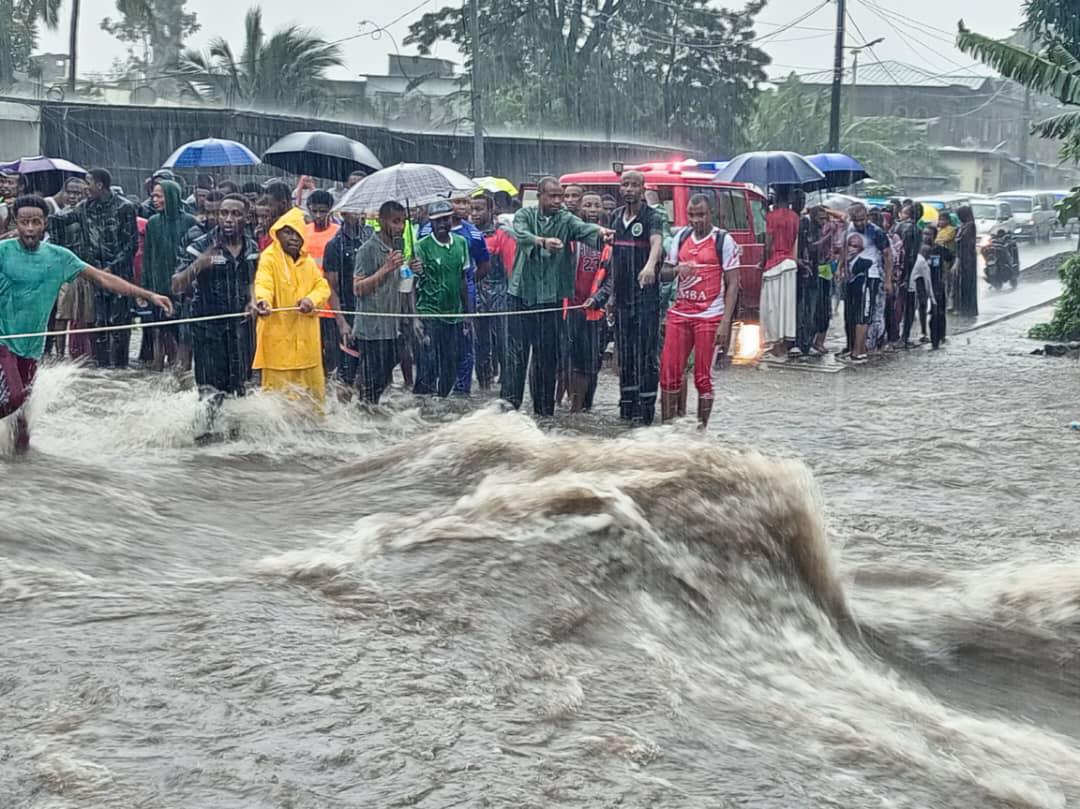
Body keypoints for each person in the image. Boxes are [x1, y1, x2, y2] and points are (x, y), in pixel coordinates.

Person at [0, 196, 171, 452]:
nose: (30, 229)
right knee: (12, 398)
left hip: (32, 346)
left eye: (36, 222)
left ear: (45, 223)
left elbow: (103, 279)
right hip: (4, 341)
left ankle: (22, 472)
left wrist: (147, 295)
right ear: (16, 222)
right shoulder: (3, 251)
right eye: (24, 222)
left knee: (23, 416)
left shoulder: (59, 257)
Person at [503, 178, 609, 415]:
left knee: (547, 358)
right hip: (520, 296)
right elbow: (521, 234)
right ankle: (508, 411)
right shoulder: (525, 214)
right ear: (540, 196)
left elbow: (584, 229)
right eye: (552, 196)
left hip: (550, 299)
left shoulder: (565, 218)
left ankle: (544, 413)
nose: (558, 201)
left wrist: (602, 233)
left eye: (560, 196)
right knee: (515, 357)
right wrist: (542, 242)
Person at [172, 194, 259, 439]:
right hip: (207, 329)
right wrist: (200, 264)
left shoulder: (252, 248)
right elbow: (176, 285)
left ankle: (234, 446)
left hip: (239, 329)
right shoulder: (198, 245)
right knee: (209, 393)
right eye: (224, 213)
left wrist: (253, 301)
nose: (229, 219)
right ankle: (204, 443)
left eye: (235, 214)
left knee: (239, 389)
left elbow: (252, 282)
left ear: (246, 218)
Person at [659, 194, 740, 427]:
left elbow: (733, 283)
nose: (696, 220)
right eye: (692, 215)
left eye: (701, 215)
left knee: (703, 378)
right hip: (680, 314)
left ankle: (701, 431)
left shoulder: (723, 240)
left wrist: (726, 323)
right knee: (668, 373)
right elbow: (663, 273)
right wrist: (676, 270)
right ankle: (667, 429)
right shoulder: (680, 237)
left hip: (709, 316)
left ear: (711, 214)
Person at [49, 168, 139, 368]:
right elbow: (58, 221)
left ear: (99, 185)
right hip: (95, 276)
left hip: (120, 277)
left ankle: (120, 369)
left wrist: (112, 267)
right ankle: (101, 370)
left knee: (120, 324)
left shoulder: (125, 207)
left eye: (88, 183)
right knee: (97, 323)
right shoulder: (83, 207)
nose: (84, 188)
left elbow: (131, 245)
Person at [252, 208, 332, 405]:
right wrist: (263, 301)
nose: (293, 238)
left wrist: (311, 300)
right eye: (288, 233)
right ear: (277, 234)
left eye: (297, 233)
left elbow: (322, 286)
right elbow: (263, 283)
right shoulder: (269, 258)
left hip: (308, 345)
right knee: (277, 406)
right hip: (279, 348)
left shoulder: (308, 261)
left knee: (314, 406)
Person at [609, 170, 664, 425]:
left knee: (646, 354)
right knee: (625, 354)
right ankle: (626, 408)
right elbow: (611, 259)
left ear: (643, 189)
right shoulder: (615, 217)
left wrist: (650, 266)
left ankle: (647, 412)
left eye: (634, 185)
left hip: (645, 298)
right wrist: (609, 295)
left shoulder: (652, 216)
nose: (629, 189)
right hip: (621, 298)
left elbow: (656, 243)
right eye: (625, 184)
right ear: (620, 188)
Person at [352, 201, 419, 404]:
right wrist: (386, 269)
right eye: (395, 222)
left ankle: (370, 412)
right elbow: (357, 288)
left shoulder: (399, 247)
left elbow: (400, 284)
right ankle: (362, 411)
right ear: (381, 221)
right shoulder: (367, 249)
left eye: (403, 222)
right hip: (371, 328)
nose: (400, 227)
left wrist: (410, 268)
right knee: (372, 382)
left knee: (385, 376)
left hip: (393, 326)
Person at [414, 200, 469, 398]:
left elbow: (463, 279)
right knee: (428, 364)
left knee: (451, 363)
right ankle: (421, 405)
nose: (442, 224)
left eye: (446, 219)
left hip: (454, 314)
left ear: (452, 220)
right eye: (437, 221)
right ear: (430, 222)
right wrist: (415, 318)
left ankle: (442, 402)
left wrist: (468, 315)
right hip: (429, 312)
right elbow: (411, 284)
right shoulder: (421, 246)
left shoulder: (461, 243)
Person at [564, 192, 612, 412]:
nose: (592, 209)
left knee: (592, 363)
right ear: (580, 209)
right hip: (571, 307)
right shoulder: (572, 238)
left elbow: (612, 277)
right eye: (588, 205)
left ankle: (586, 407)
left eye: (597, 205)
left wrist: (599, 298)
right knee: (572, 361)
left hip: (596, 310)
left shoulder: (609, 240)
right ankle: (574, 406)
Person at [143, 179, 197, 372]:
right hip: (159, 287)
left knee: (184, 333)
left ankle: (182, 372)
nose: (153, 199)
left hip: (184, 288)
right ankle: (159, 372)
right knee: (160, 330)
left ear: (172, 197)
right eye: (153, 195)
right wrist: (145, 288)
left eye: (158, 195)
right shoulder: (153, 222)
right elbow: (148, 257)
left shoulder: (190, 221)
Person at [324, 212, 375, 387]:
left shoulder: (372, 236)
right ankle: (345, 411)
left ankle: (368, 410)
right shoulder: (335, 245)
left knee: (374, 370)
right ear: (344, 213)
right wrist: (342, 322)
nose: (361, 214)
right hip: (349, 312)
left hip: (373, 312)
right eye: (355, 210)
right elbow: (331, 288)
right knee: (347, 373)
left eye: (363, 210)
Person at [839, 203, 893, 362]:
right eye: (856, 220)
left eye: (862, 219)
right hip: (852, 277)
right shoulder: (849, 229)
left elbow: (888, 255)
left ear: (867, 217)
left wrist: (888, 280)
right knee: (852, 314)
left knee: (864, 313)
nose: (860, 223)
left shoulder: (876, 232)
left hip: (870, 276)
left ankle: (858, 351)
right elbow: (844, 249)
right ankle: (855, 347)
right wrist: (840, 267)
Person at [471, 193, 512, 391]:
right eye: (472, 209)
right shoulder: (468, 234)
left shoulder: (501, 234)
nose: (474, 213)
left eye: (479, 209)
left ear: (490, 210)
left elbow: (509, 266)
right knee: (480, 343)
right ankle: (484, 385)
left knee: (503, 342)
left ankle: (506, 382)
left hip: (500, 293)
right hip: (476, 294)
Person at [303, 189, 345, 375]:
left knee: (333, 351)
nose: (318, 215)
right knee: (312, 352)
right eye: (315, 211)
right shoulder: (302, 233)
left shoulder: (338, 234)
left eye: (323, 211)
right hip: (309, 302)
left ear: (331, 210)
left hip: (332, 304)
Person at [761, 186, 800, 355]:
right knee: (787, 307)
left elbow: (768, 244)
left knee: (772, 307)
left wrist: (762, 260)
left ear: (775, 197)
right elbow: (795, 243)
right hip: (790, 264)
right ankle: (785, 342)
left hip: (774, 265)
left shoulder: (771, 217)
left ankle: (775, 345)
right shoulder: (795, 217)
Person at [922, 225, 951, 349]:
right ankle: (924, 333)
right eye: (924, 234)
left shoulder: (940, 250)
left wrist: (947, 271)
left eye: (929, 234)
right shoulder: (920, 249)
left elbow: (952, 258)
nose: (926, 236)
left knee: (938, 311)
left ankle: (939, 337)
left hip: (937, 283)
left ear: (934, 235)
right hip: (922, 282)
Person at [902, 239, 935, 348]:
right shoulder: (922, 262)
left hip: (907, 288)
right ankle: (906, 337)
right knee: (911, 312)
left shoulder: (913, 258)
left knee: (908, 312)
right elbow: (928, 282)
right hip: (912, 290)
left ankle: (905, 337)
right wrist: (933, 299)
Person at [955, 205, 979, 317]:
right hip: (963, 257)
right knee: (963, 284)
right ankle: (963, 307)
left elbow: (965, 241)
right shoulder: (963, 225)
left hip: (967, 259)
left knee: (968, 283)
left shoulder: (970, 226)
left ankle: (968, 308)